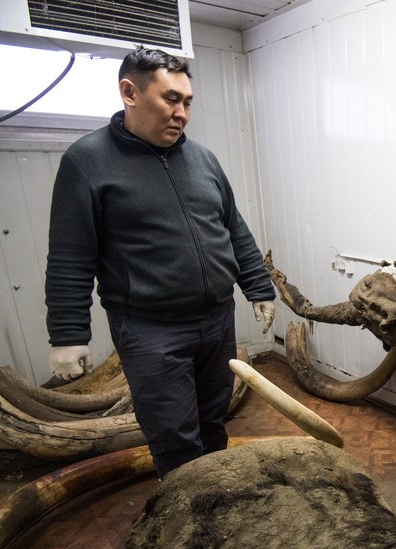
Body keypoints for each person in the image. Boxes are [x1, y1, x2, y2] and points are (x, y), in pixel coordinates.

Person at [44, 48, 276, 480]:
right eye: (170, 99)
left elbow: (233, 229)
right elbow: (70, 255)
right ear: (129, 92)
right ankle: (187, 523)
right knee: (174, 436)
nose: (182, 113)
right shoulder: (87, 161)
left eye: (188, 102)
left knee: (213, 422)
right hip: (151, 328)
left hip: (216, 318)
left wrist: (258, 287)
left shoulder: (203, 159)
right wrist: (68, 333)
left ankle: (221, 503)